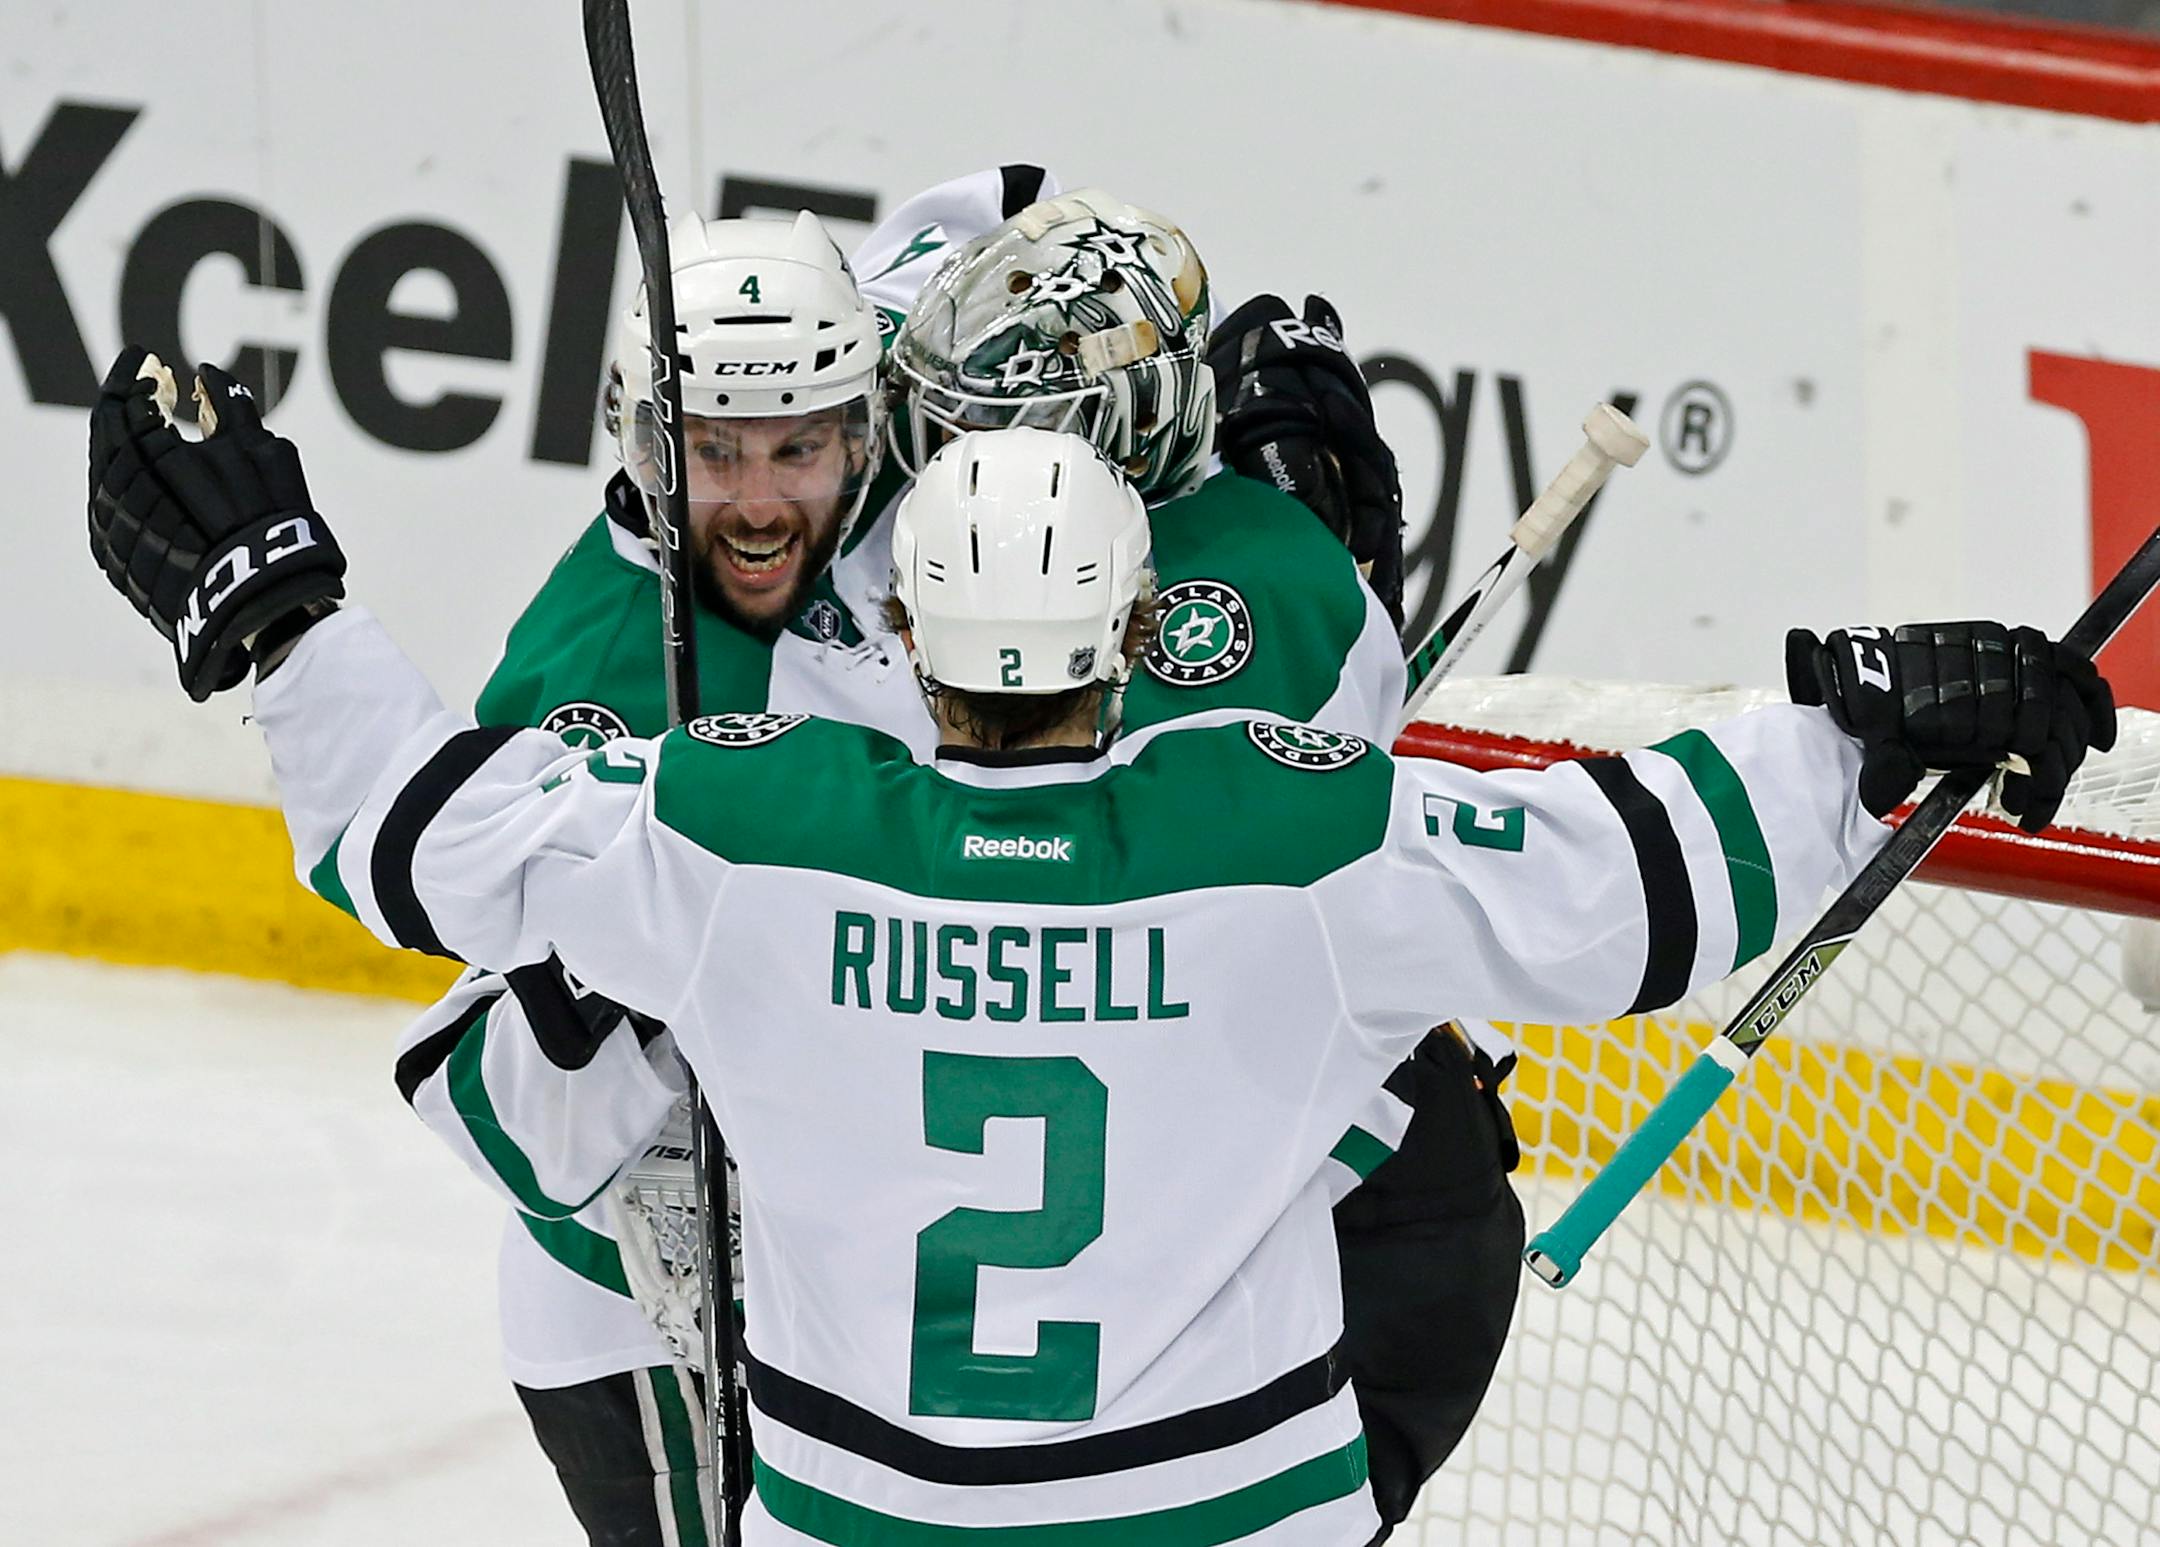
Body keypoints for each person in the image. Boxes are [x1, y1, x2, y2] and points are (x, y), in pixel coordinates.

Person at [84, 363, 2114, 1541]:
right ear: (1139, 628)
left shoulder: (740, 833)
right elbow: (1655, 869)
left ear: (912, 638)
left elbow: (421, 838)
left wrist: (281, 621)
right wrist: (1878, 722)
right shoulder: (1299, 838)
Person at [397, 172, 1420, 1544]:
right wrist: (684, 986)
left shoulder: (911, 418)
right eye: (714, 453)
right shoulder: (596, 687)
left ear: (870, 401)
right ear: (645, 440)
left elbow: (1010, 219)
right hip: (651, 1309)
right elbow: (508, 1105)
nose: (759, 501)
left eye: (801, 447)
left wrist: (1223, 410)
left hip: (922, 1299)